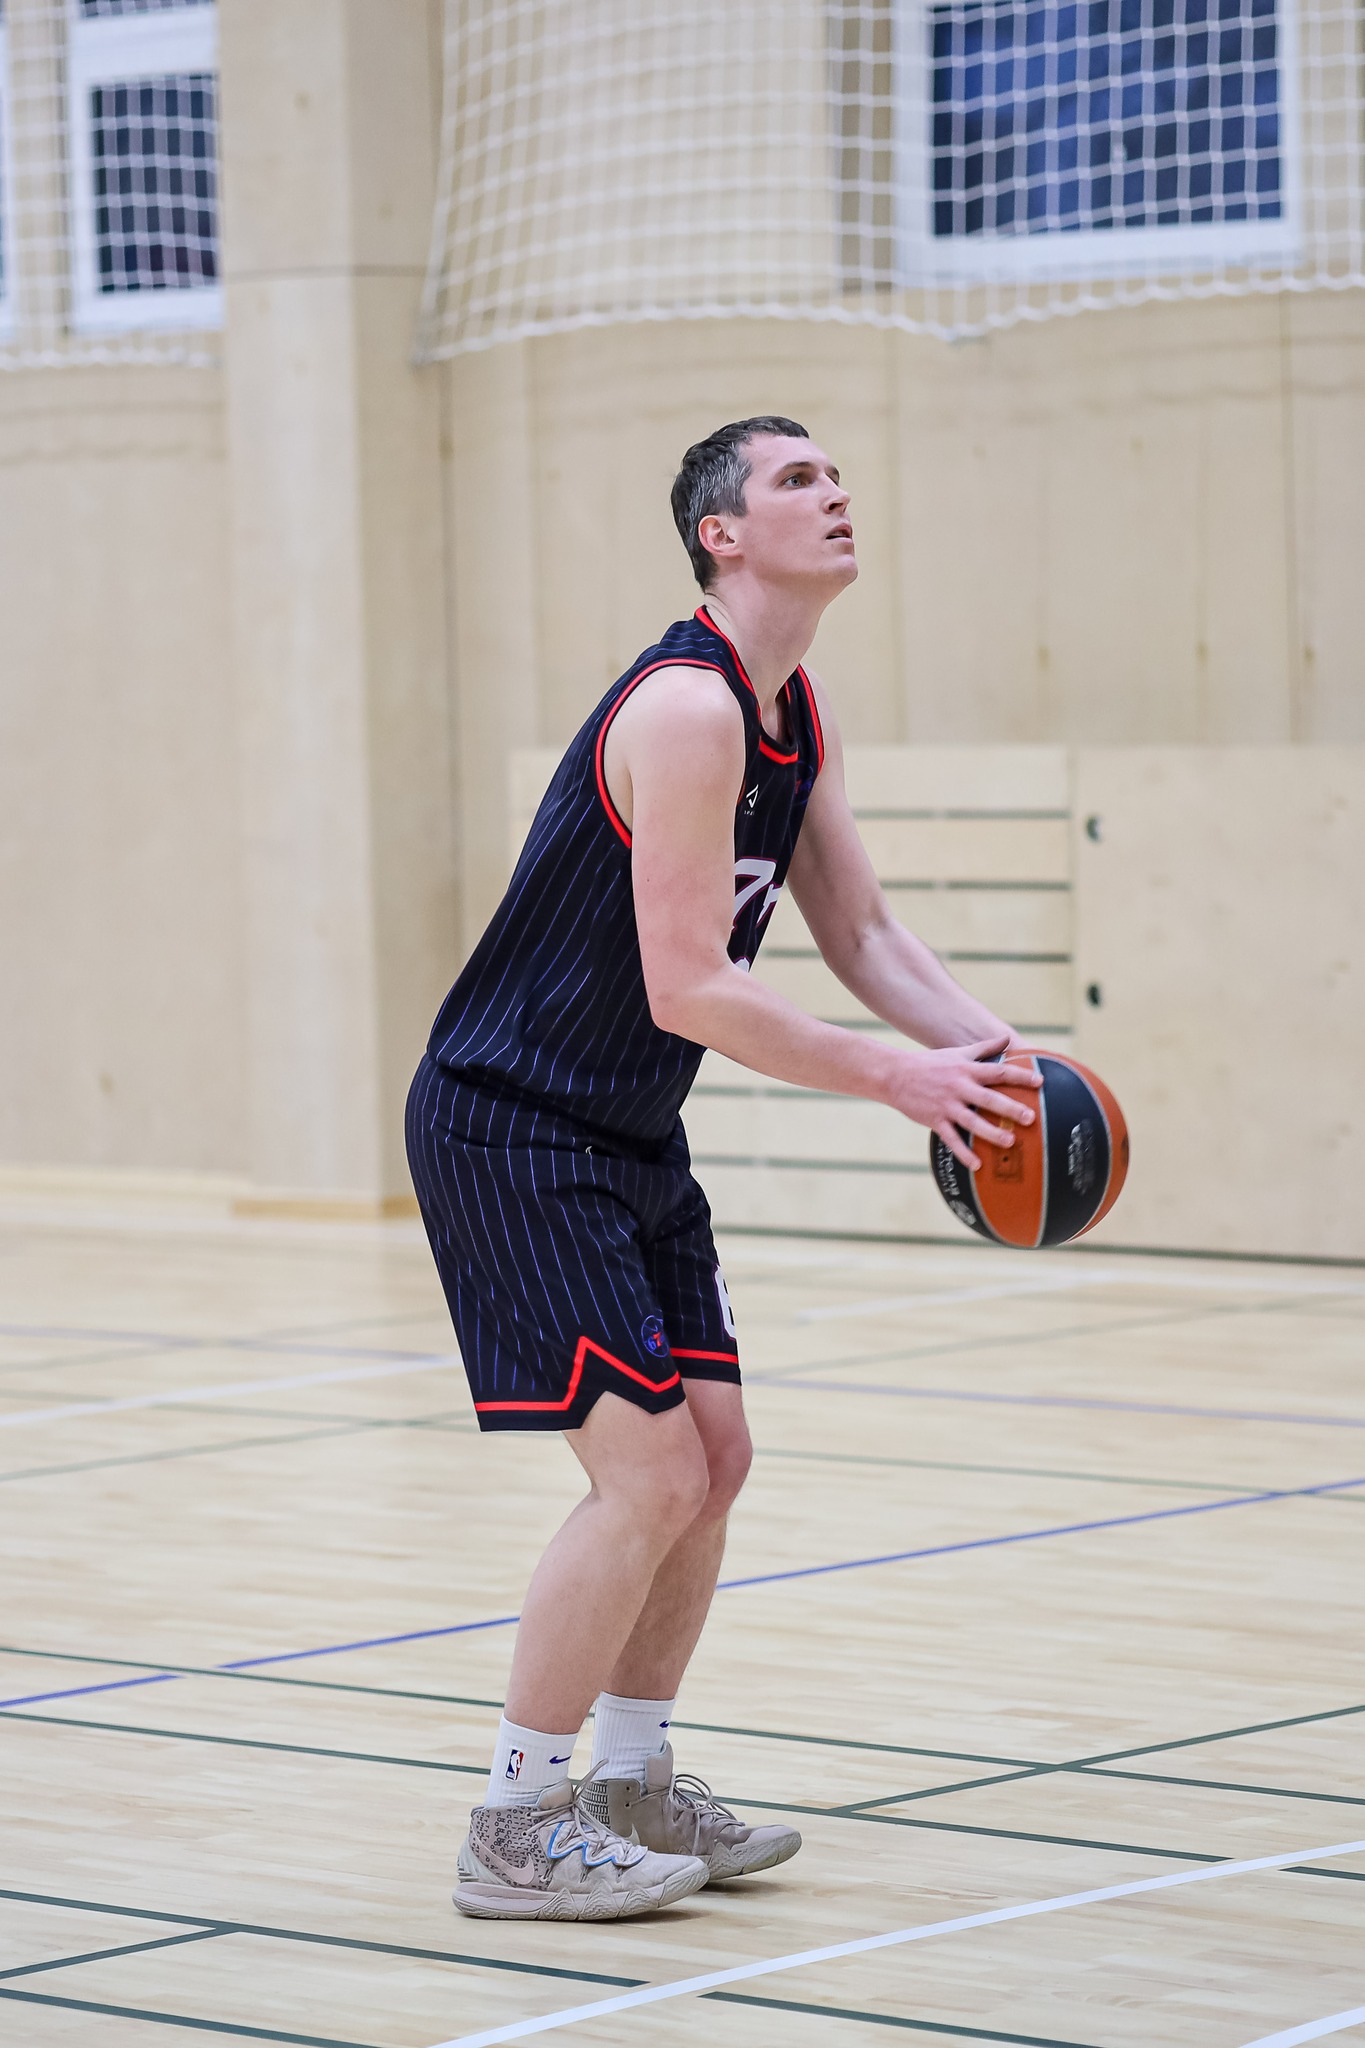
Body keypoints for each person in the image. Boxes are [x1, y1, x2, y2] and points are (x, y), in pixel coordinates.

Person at [406, 415, 1039, 1922]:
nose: (835, 493)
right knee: (648, 1475)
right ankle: (513, 1825)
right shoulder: (688, 708)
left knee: (718, 1458)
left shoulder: (790, 707)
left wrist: (1000, 1056)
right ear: (722, 534)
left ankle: (628, 1782)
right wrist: (896, 1078)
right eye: (797, 479)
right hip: (511, 1123)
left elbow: (862, 932)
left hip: (627, 1130)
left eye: (837, 475)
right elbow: (688, 983)